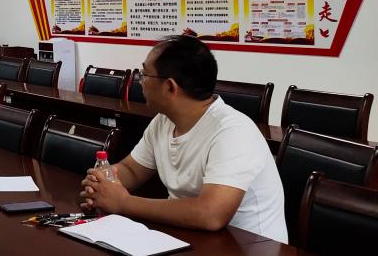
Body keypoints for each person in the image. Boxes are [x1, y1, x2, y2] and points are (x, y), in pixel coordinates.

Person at [79, 35, 286, 242]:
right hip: (192, 237)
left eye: (144, 74)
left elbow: (210, 214)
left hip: (249, 246)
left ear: (170, 87)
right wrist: (103, 183)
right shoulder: (163, 121)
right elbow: (132, 170)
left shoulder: (233, 131)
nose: (140, 82)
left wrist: (124, 203)